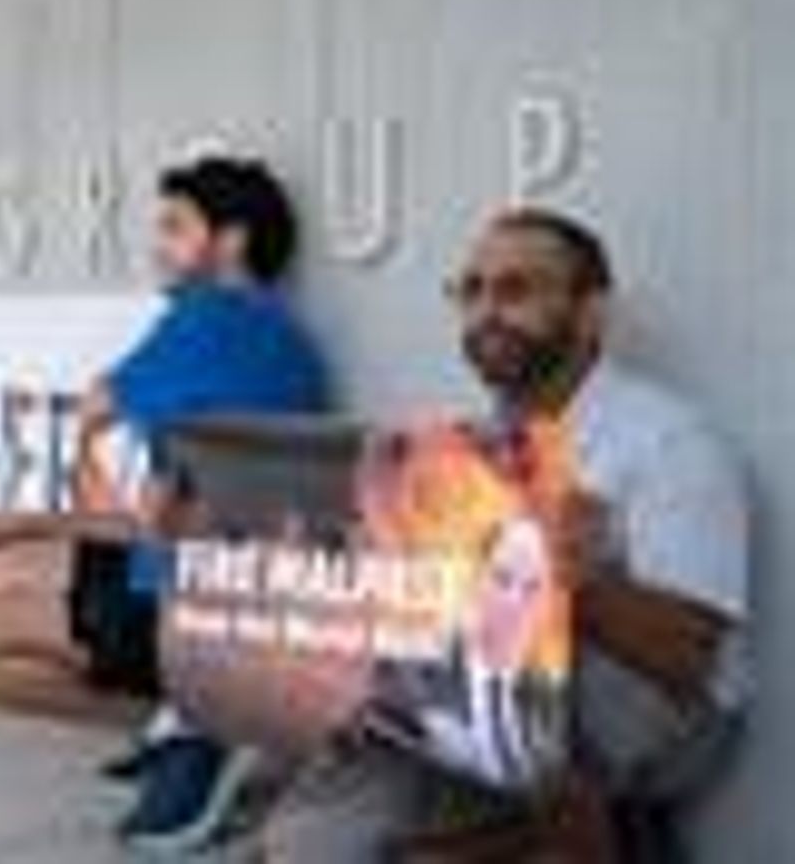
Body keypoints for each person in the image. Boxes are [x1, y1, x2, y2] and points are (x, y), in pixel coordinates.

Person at [244, 208, 749, 863]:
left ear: (590, 313)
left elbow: (692, 657)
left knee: (413, 730)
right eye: (471, 290)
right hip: (494, 684)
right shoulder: (467, 445)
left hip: (658, 706)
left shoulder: (670, 441)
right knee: (329, 716)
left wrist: (573, 581)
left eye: (515, 290)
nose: (485, 312)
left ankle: (546, 831)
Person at [0, 155, 332, 841]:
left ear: (231, 241)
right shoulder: (275, 331)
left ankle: (194, 723)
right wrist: (23, 524)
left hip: (196, 606)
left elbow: (98, 407)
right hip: (236, 589)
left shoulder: (208, 317)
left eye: (176, 227)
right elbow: (156, 508)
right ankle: (188, 719)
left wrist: (26, 519)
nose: (158, 246)